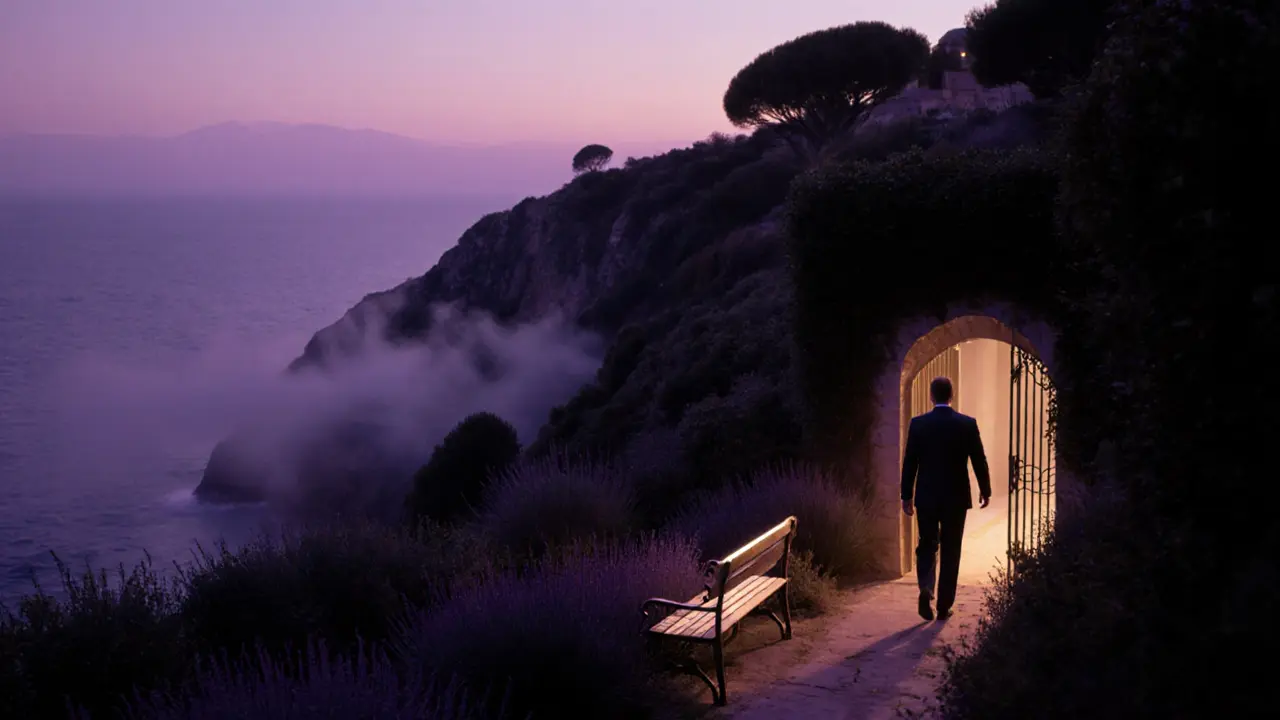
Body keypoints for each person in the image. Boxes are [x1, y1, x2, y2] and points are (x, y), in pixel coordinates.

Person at [901, 376, 992, 621]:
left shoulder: (918, 425)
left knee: (927, 544)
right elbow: (979, 460)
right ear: (951, 396)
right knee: (952, 550)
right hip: (956, 498)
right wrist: (986, 489)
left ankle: (926, 589)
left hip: (927, 496)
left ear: (932, 396)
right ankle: (943, 606)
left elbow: (910, 461)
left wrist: (906, 495)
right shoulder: (966, 424)